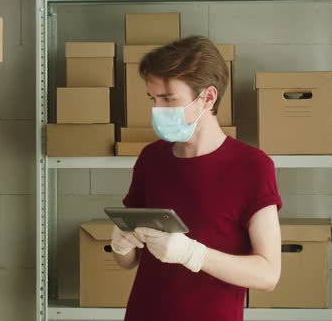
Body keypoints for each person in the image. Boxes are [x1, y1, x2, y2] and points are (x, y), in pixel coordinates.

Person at [111, 36, 283, 321]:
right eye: (153, 98)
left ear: (208, 96)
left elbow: (268, 274)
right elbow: (130, 262)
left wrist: (194, 254)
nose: (158, 109)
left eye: (168, 98)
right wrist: (122, 245)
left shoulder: (252, 166)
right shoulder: (151, 159)